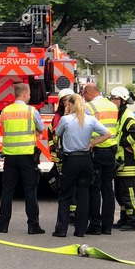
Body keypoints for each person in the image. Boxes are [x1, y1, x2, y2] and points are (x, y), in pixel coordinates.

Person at [52, 94, 112, 237]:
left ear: (71, 104)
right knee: (83, 194)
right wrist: (92, 143)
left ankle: (61, 230)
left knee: (65, 195)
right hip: (86, 160)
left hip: (71, 160)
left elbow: (57, 133)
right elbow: (107, 134)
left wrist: (66, 113)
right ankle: (80, 231)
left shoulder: (66, 120)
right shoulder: (91, 120)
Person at [0, 83, 46, 235]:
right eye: (28, 94)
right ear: (24, 95)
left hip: (10, 156)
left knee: (7, 190)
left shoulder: (6, 111)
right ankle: (33, 226)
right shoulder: (31, 111)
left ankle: (2, 225)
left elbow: (4, 124)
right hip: (27, 156)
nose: (29, 97)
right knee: (30, 190)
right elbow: (41, 129)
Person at [81, 82, 118, 235]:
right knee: (108, 188)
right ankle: (107, 226)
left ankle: (95, 225)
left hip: (96, 149)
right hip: (111, 150)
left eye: (84, 94)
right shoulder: (112, 106)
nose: (84, 97)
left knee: (94, 189)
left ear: (89, 92)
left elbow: (85, 128)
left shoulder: (89, 107)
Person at [109, 86, 135, 231]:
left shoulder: (127, 115)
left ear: (123, 100)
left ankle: (134, 220)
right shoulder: (119, 113)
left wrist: (123, 142)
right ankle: (124, 218)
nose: (112, 101)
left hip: (128, 160)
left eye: (115, 98)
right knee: (120, 193)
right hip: (121, 160)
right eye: (112, 98)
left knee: (129, 192)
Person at [46, 88, 76, 220]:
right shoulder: (57, 119)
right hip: (61, 157)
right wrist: (55, 152)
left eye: (70, 100)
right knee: (65, 187)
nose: (67, 103)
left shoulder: (80, 116)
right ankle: (69, 213)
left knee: (75, 186)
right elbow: (52, 138)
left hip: (75, 156)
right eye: (65, 100)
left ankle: (74, 212)